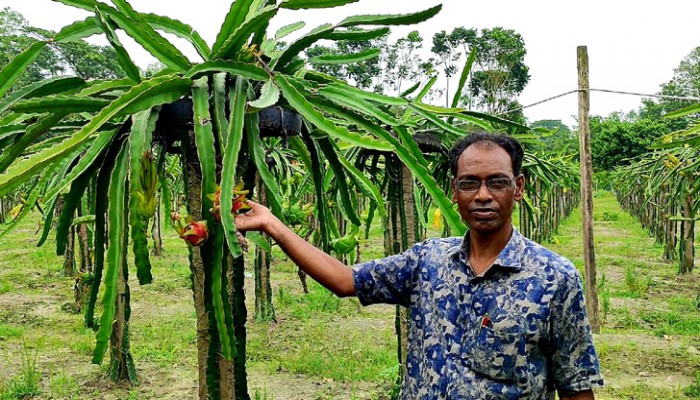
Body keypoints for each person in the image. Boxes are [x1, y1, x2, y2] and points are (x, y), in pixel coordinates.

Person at [234, 131, 604, 399]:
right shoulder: (428, 261)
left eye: (498, 183)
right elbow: (345, 280)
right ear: (454, 191)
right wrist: (273, 225)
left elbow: (576, 386)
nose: (483, 195)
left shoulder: (555, 277)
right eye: (470, 183)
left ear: (518, 188)